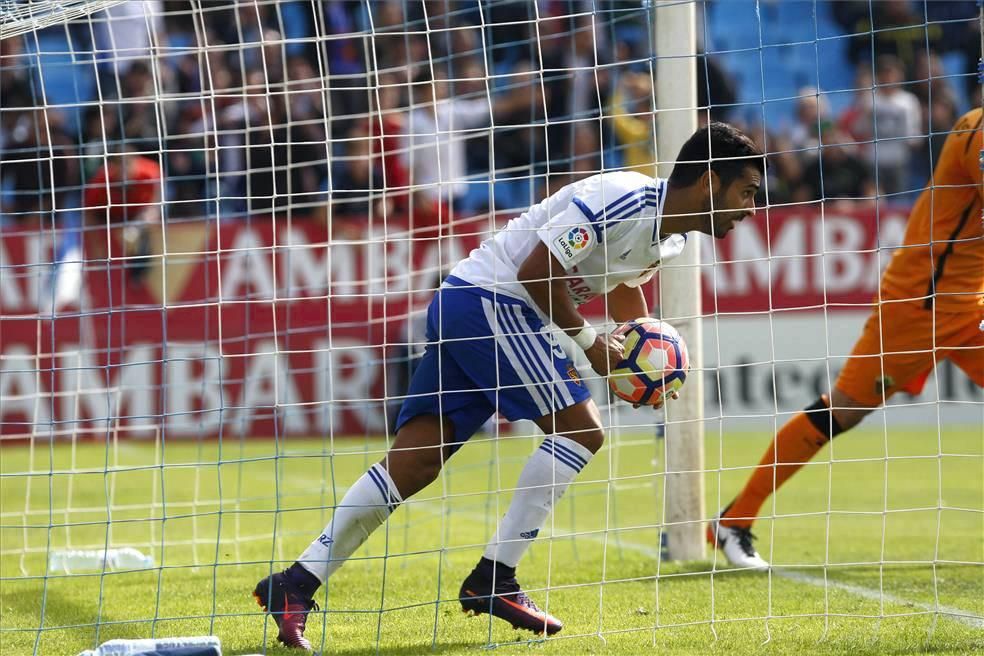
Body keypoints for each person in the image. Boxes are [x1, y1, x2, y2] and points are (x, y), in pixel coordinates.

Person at [253, 122, 764, 649]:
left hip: (469, 303)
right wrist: (591, 344)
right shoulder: (622, 198)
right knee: (582, 432)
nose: (750, 208)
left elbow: (623, 292)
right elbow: (536, 271)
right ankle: (494, 579)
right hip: (493, 303)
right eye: (746, 191)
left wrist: (643, 361)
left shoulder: (670, 238)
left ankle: (293, 585)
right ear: (709, 180)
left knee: (416, 461)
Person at [709, 109, 983, 570]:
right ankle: (734, 519)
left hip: (969, 304)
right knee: (842, 409)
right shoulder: (978, 131)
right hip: (919, 307)